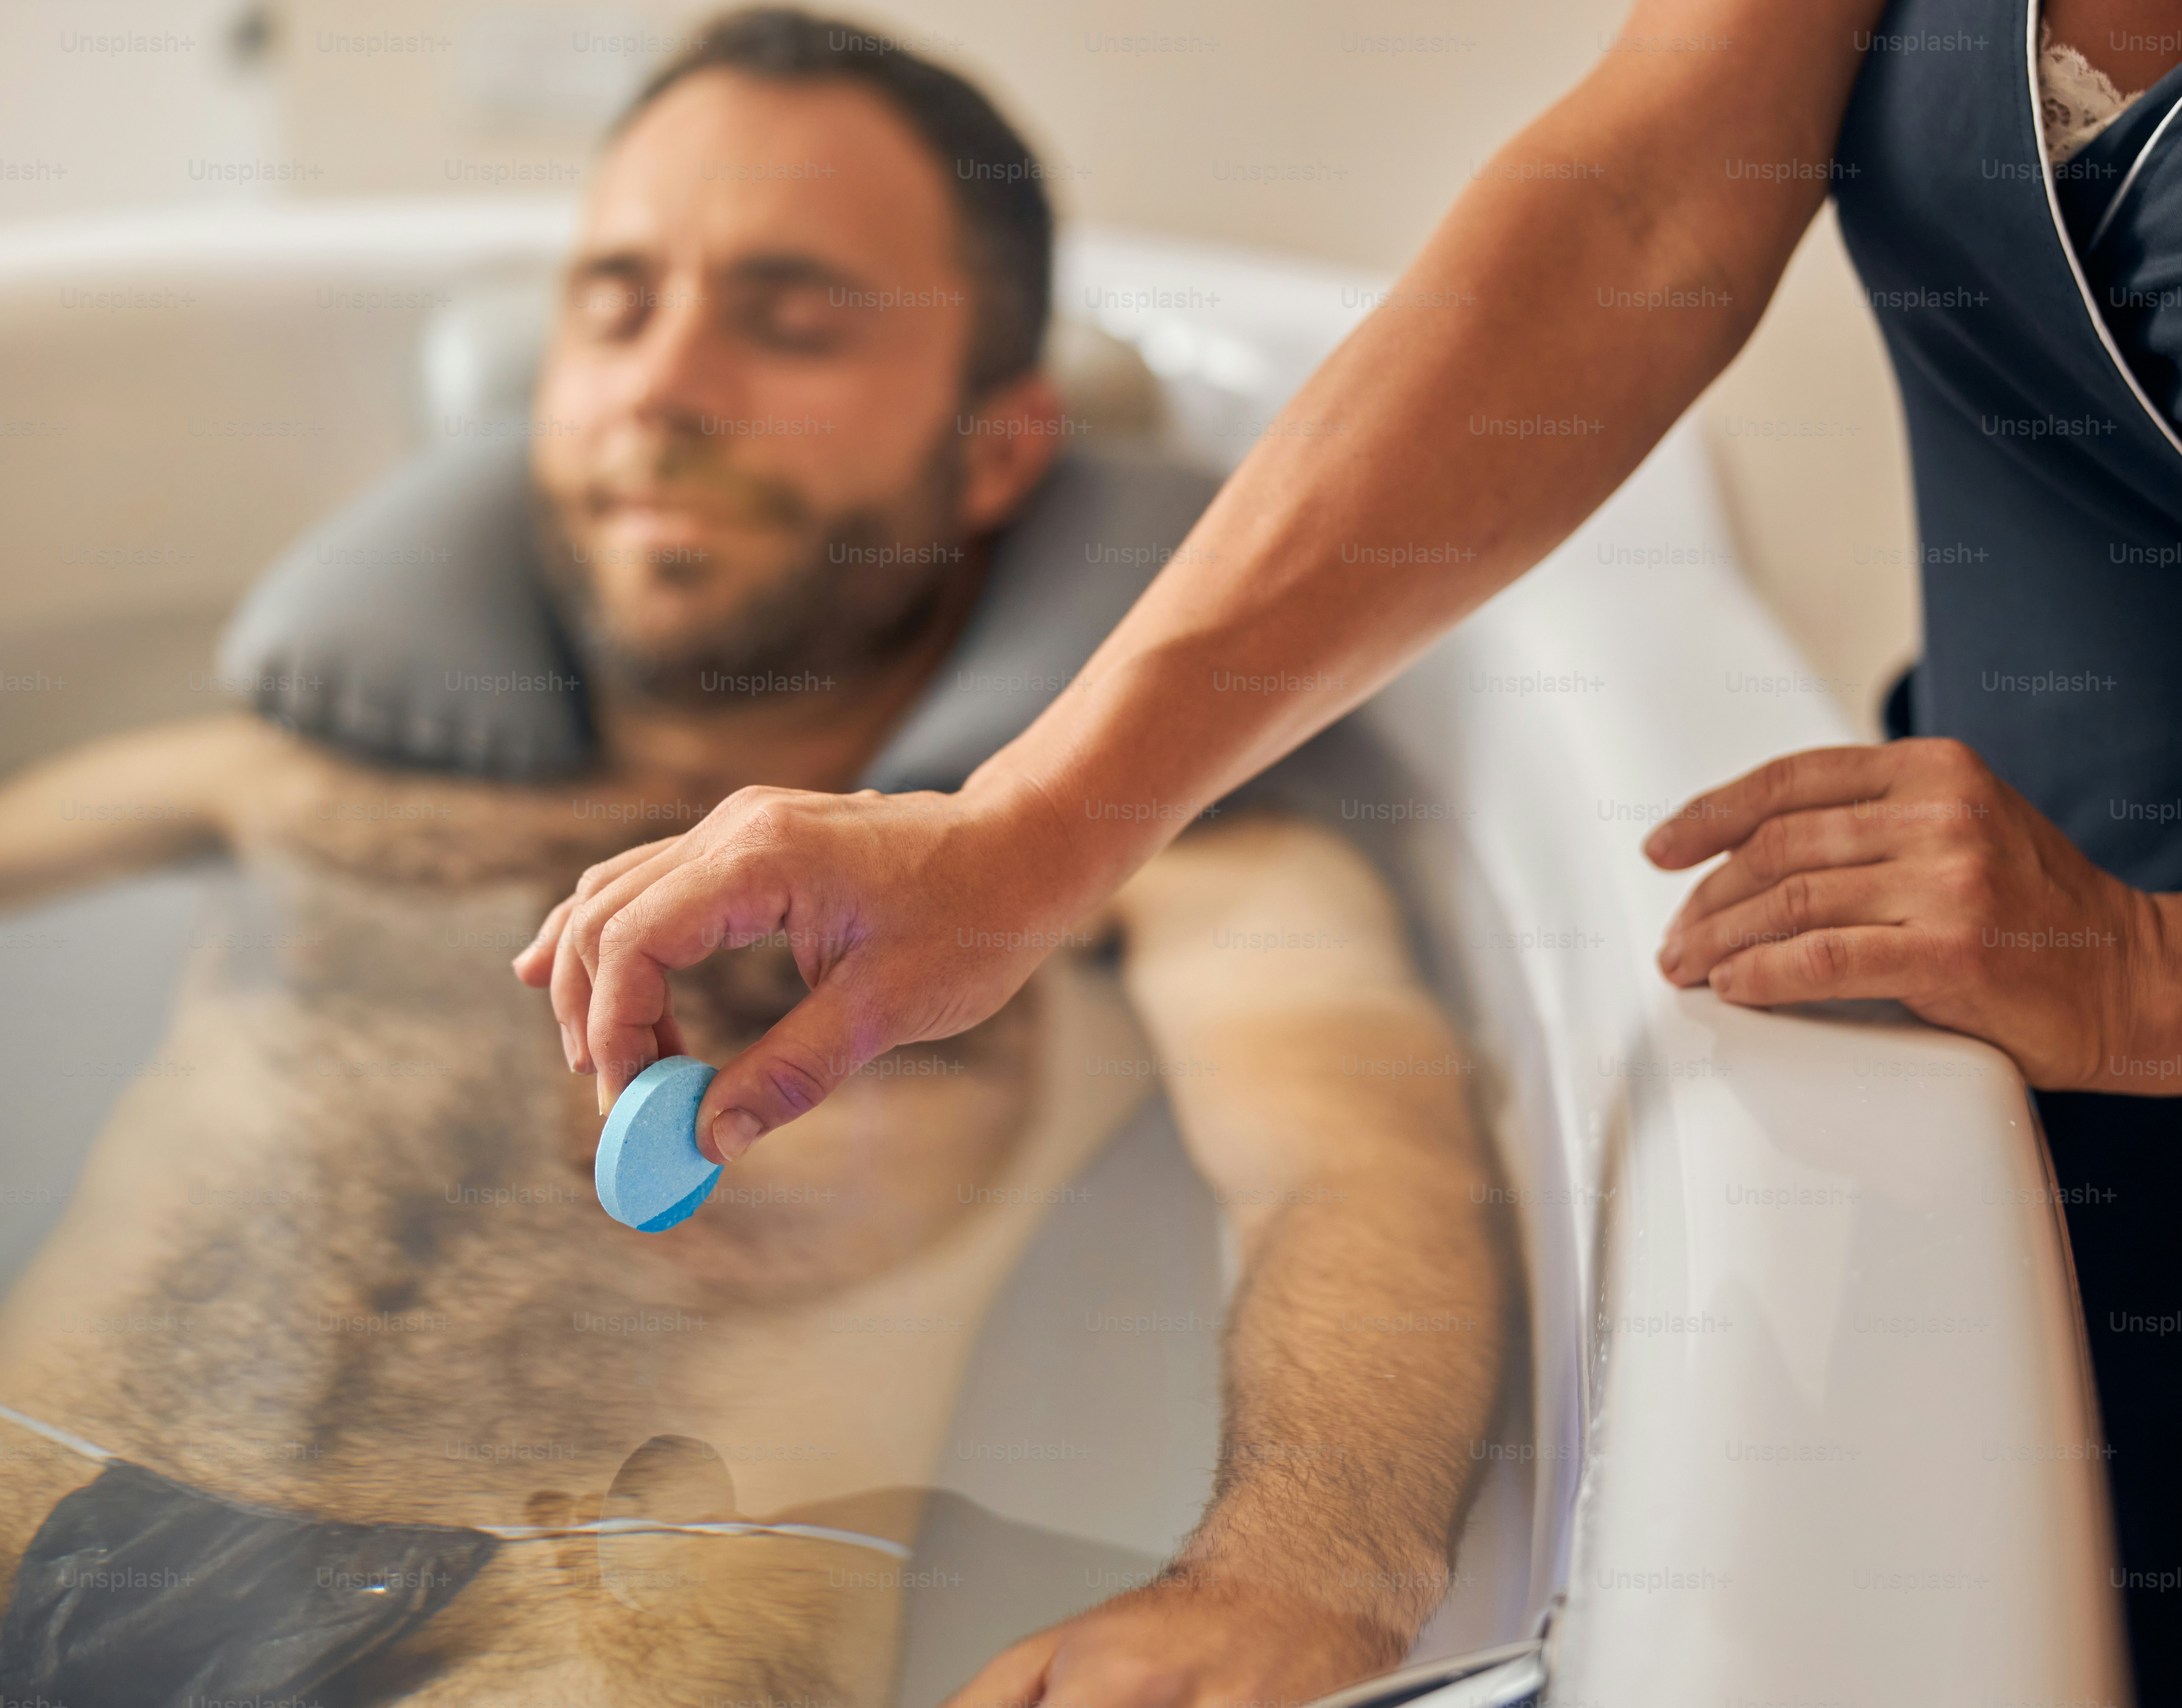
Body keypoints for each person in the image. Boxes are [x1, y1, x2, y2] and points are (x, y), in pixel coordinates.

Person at [521, 0, 2182, 1700]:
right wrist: (1038, 821)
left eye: (791, 315)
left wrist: (2158, 981)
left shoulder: (1265, 907)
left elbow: (1357, 1153)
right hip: (2003, 1031)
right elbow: (1638, 201)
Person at [0, 16, 1509, 1706]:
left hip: (604, 1618)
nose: (666, 384)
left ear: (996, 447)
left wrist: (1290, 1576)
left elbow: (1359, 1171)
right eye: (616, 302)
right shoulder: (286, 775)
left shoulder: (1142, 873)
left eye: (790, 323)